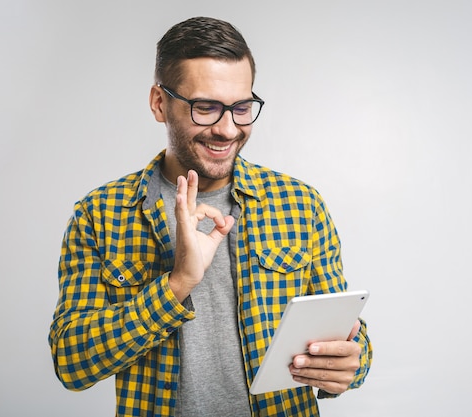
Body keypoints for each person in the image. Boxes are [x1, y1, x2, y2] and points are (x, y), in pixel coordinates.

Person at [48, 16, 372, 417]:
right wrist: (176, 285)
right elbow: (71, 364)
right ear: (159, 103)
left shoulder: (300, 204)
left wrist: (350, 364)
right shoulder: (100, 214)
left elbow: (348, 338)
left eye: (241, 108)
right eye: (205, 108)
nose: (227, 129)